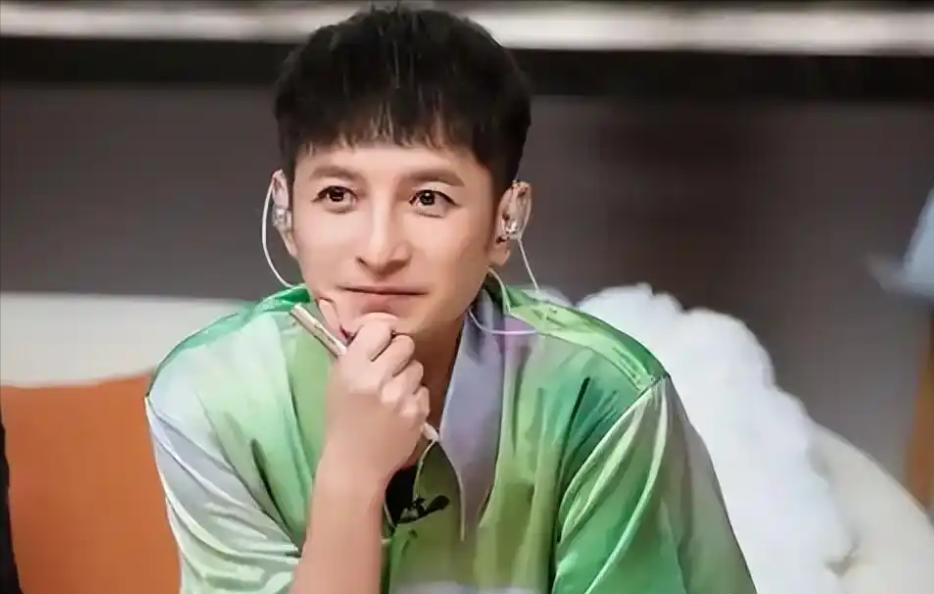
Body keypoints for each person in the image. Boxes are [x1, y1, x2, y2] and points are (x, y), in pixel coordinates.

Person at [146, 6, 757, 594]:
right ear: (285, 210)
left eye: (428, 199)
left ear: (506, 220)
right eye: (337, 196)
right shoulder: (210, 399)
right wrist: (350, 479)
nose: (379, 250)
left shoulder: (599, 400)